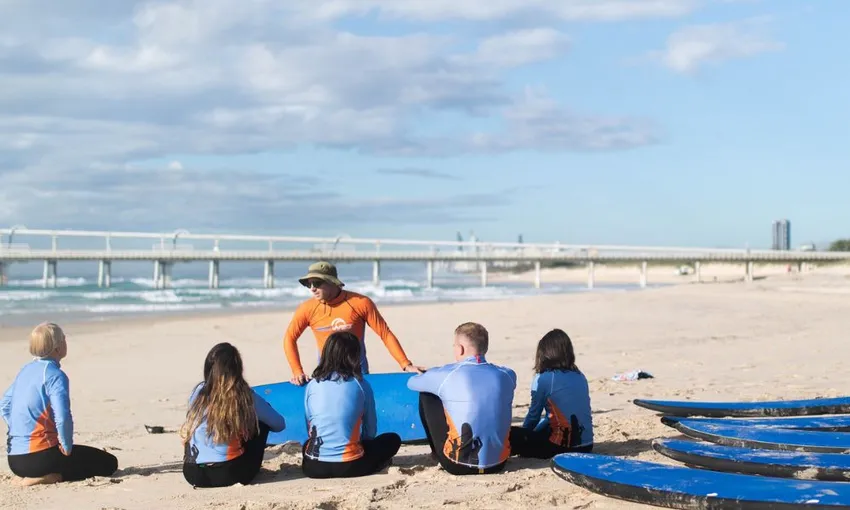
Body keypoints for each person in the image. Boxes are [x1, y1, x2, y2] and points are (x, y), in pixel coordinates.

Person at [1, 322, 118, 486]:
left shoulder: (25, 371)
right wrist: (66, 445)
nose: (66, 342)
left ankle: (27, 475)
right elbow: (62, 417)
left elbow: (4, 406)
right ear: (57, 348)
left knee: (83, 458)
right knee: (109, 463)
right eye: (64, 339)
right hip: (41, 458)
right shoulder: (55, 375)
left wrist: (20, 428)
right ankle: (48, 477)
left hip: (15, 460)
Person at [283, 261, 424, 385]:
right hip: (325, 373)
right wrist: (297, 371)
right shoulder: (307, 308)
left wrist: (405, 364)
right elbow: (289, 337)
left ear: (332, 282)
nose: (312, 288)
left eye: (317, 283)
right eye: (309, 284)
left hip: (358, 372)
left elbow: (385, 333)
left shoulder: (360, 303)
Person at [407, 322, 516, 475]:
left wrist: (431, 373)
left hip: (456, 465)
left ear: (460, 349)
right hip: (498, 463)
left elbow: (412, 383)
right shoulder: (508, 375)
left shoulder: (448, 375)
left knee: (427, 394)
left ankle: (436, 453)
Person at [180, 342, 286, 488]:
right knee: (261, 423)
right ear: (237, 369)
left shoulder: (198, 392)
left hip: (193, 473)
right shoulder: (244, 395)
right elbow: (279, 424)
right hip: (230, 474)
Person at [302, 331, 401, 478]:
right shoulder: (361, 385)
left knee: (307, 444)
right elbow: (370, 429)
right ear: (354, 356)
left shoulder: (312, 385)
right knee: (393, 439)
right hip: (351, 466)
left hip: (313, 467)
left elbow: (309, 425)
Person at [509, 328, 593, 458]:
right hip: (587, 445)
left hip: (562, 447)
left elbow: (533, 416)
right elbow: (554, 416)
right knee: (548, 424)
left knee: (510, 434)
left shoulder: (544, 378)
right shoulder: (580, 375)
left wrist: (523, 435)